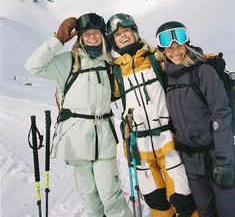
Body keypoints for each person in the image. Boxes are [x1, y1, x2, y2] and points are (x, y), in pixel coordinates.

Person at [25, 13, 133, 217]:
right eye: (87, 34)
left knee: (112, 196)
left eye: (96, 33)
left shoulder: (110, 62)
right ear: (80, 38)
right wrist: (57, 41)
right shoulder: (68, 61)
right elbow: (32, 66)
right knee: (90, 198)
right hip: (75, 138)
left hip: (104, 138)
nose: (92, 37)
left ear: (103, 36)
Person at [106, 13, 199, 217]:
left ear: (135, 33)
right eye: (118, 34)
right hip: (139, 146)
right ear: (112, 40)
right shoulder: (115, 72)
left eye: (127, 31)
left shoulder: (155, 58)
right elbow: (99, 92)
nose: (123, 36)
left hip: (168, 140)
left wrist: (204, 62)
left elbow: (181, 60)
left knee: (182, 197)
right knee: (156, 200)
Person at [155, 21, 235, 217]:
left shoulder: (203, 72)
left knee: (227, 208)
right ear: (162, 51)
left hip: (215, 155)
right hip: (190, 161)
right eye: (169, 47)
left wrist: (225, 159)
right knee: (204, 210)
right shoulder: (166, 78)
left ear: (187, 45)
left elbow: (221, 114)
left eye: (180, 46)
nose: (175, 51)